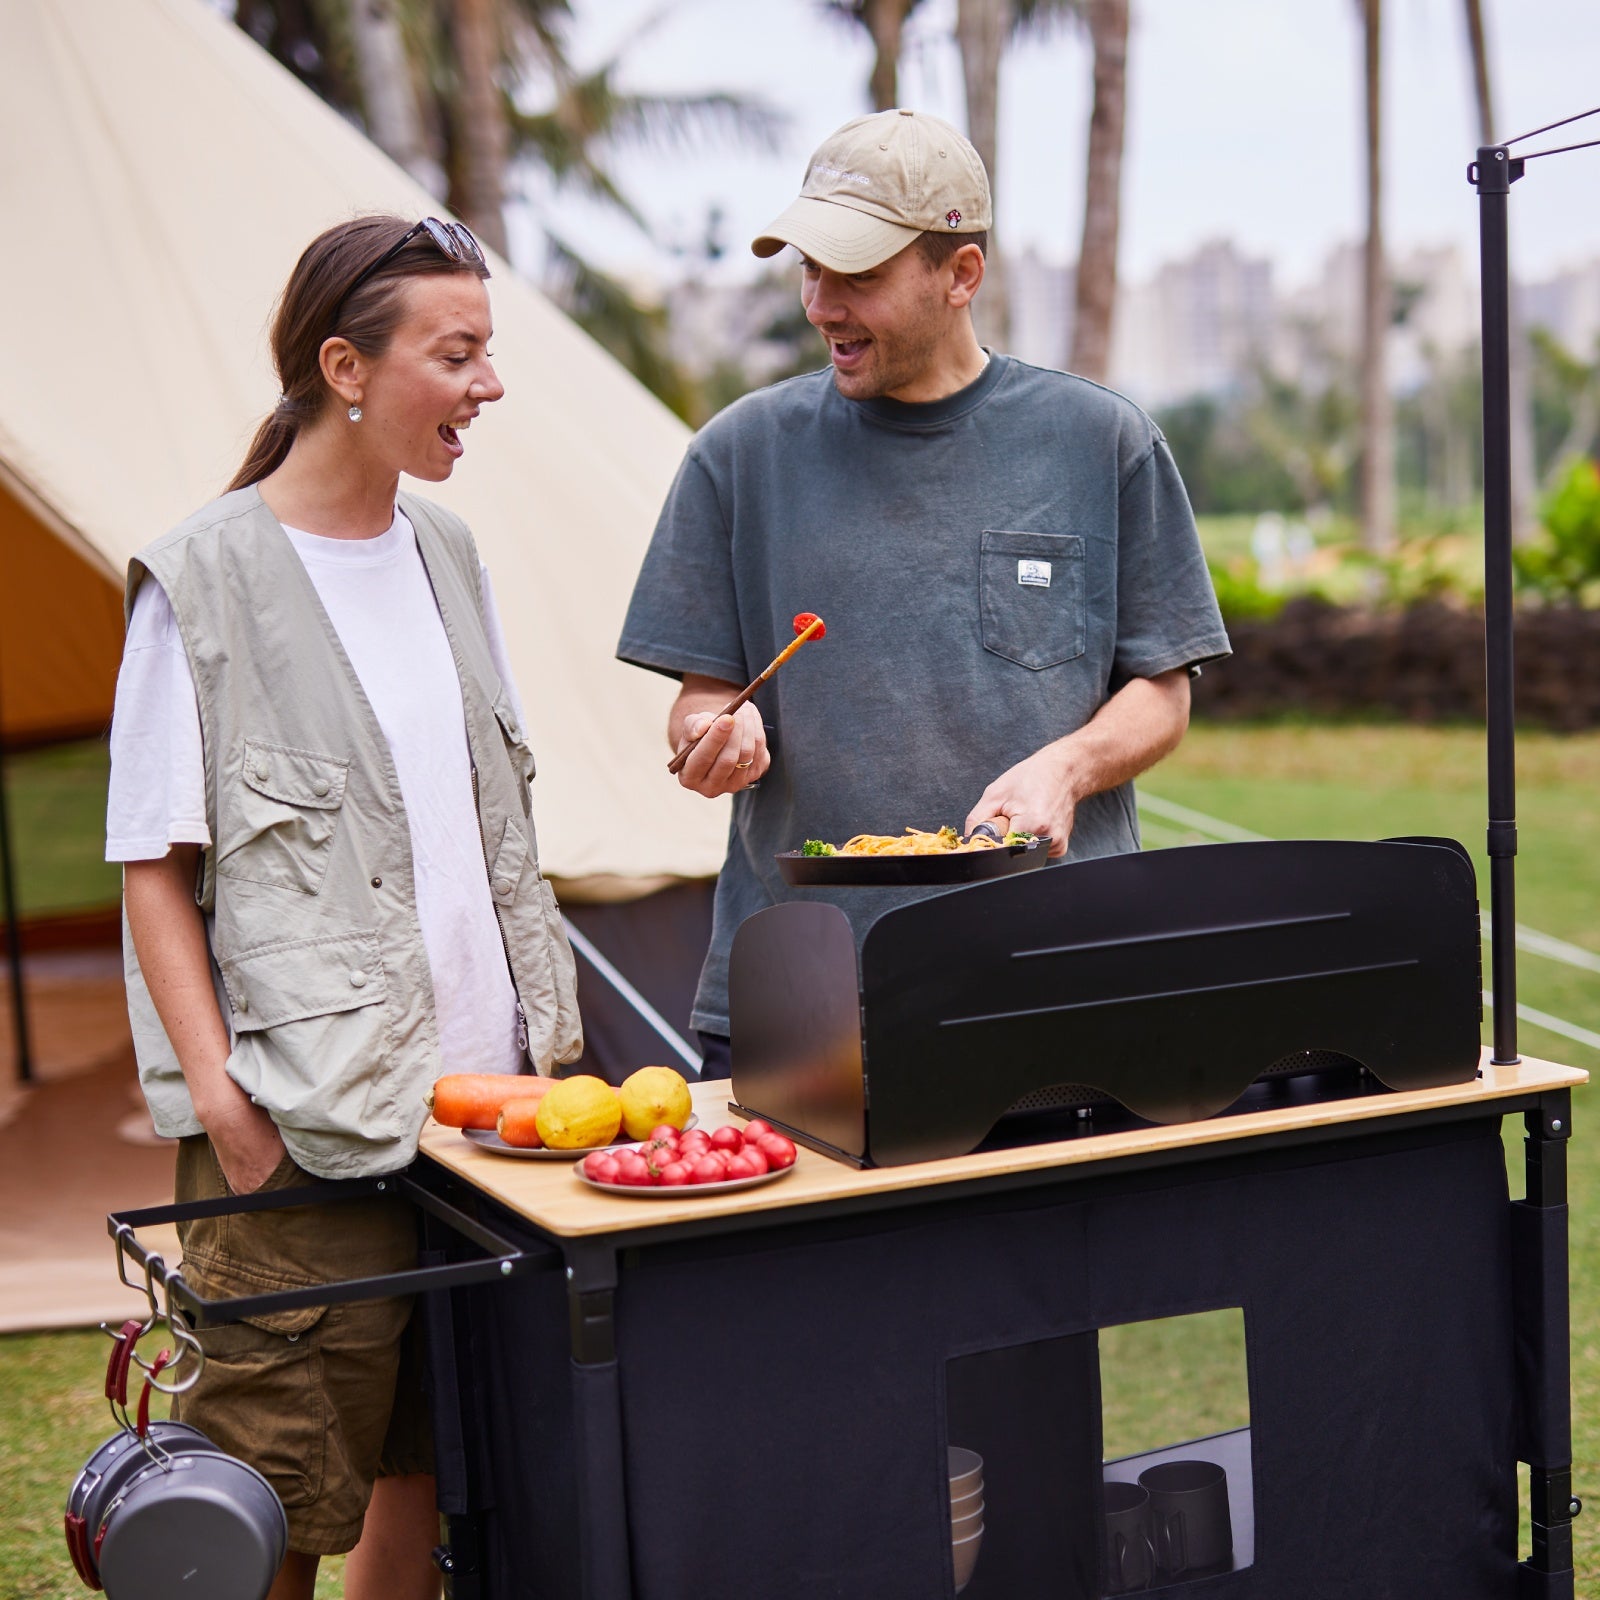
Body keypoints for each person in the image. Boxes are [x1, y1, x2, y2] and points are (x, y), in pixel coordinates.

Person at [107, 214, 582, 1600]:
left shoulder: (450, 552)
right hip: (299, 1139)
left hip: (487, 1127)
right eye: (460, 352)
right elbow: (152, 869)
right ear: (346, 366)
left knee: (423, 1477)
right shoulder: (202, 584)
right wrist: (225, 1105)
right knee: (261, 1517)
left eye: (489, 350)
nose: (488, 385)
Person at [617, 110, 1230, 1078]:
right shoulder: (738, 455)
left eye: (855, 275)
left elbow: (1162, 690)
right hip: (802, 988)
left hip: (1057, 975)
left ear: (960, 274)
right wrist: (708, 734)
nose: (820, 304)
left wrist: (1065, 769)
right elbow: (703, 692)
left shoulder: (1098, 440)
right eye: (807, 269)